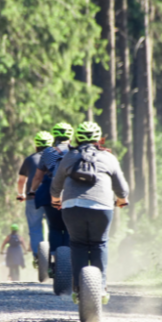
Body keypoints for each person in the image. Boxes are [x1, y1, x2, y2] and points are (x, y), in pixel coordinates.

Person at [50, 121, 129, 304]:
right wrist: (122, 200)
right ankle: (100, 288)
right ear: (99, 139)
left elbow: (56, 184)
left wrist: (55, 199)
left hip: (72, 208)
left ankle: (78, 288)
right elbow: (121, 188)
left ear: (77, 138)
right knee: (99, 243)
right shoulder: (108, 157)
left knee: (77, 244)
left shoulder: (69, 156)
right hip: (101, 208)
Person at [29, 122, 74, 265]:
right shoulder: (76, 151)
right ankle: (69, 259)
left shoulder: (48, 152)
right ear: (71, 136)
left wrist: (32, 191)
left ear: (55, 135)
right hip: (72, 193)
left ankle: (55, 259)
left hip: (51, 194)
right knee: (69, 227)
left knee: (54, 227)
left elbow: (38, 177)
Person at [16, 131, 54, 265]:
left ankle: (39, 257)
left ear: (36, 145)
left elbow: (21, 181)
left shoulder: (30, 159)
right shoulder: (56, 157)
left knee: (35, 228)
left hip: (33, 198)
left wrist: (21, 194)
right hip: (52, 198)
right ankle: (55, 254)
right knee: (54, 226)